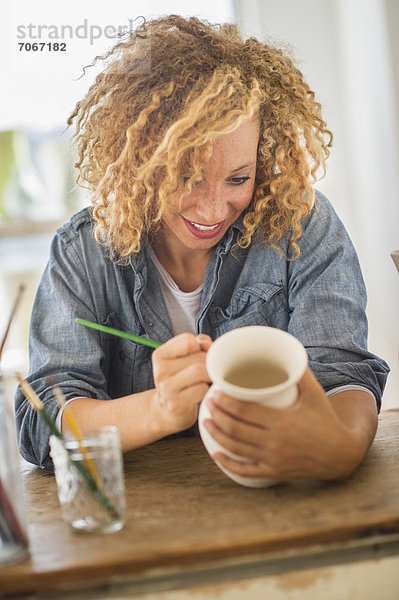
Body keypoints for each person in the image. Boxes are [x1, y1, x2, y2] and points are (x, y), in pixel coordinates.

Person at [15, 15, 389, 479]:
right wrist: (159, 409)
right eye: (187, 178)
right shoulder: (83, 253)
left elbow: (343, 376)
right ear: (140, 163)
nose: (213, 211)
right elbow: (41, 421)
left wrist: (343, 447)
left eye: (238, 178)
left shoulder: (299, 222)